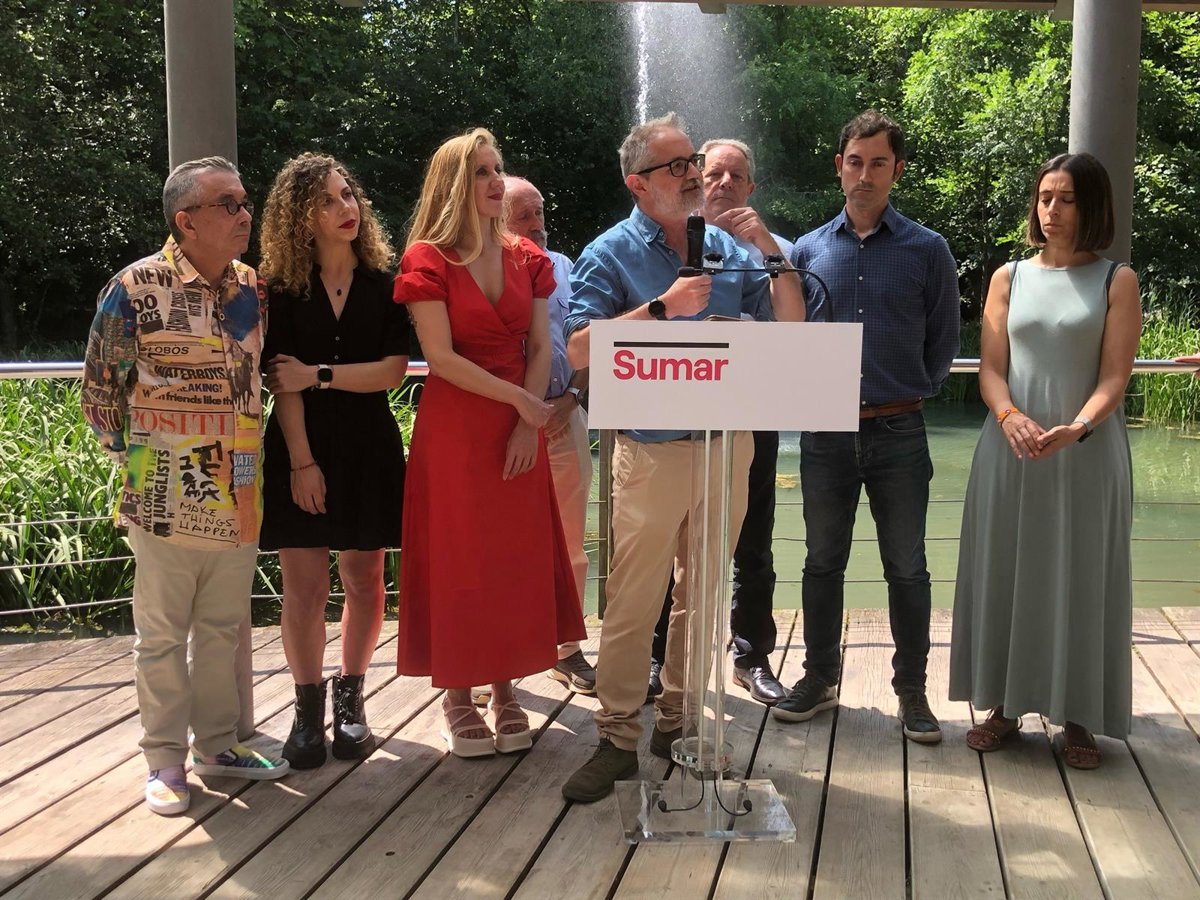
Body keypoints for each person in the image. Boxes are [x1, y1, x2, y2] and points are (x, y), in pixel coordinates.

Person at [560, 113, 805, 803]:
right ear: (637, 184)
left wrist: (769, 249)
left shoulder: (728, 247)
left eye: (693, 160)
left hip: (727, 447)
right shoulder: (609, 253)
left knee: (703, 597)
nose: (694, 174)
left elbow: (791, 326)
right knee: (634, 602)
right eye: (676, 166)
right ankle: (615, 738)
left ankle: (677, 724)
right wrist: (661, 310)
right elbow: (575, 349)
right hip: (652, 451)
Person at [81, 156, 288, 816]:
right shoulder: (135, 287)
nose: (245, 214)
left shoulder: (252, 287)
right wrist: (138, 464)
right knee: (163, 634)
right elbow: (100, 393)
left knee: (223, 627)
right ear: (186, 220)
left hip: (241, 484)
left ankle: (218, 746)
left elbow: (253, 380)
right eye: (229, 204)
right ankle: (165, 760)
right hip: (162, 487)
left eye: (244, 201)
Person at [393, 128, 586, 758]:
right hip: (457, 427)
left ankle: (505, 690)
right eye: (481, 171)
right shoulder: (426, 258)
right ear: (454, 183)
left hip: (517, 422)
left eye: (497, 168)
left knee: (510, 558)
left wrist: (527, 422)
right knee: (460, 557)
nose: (496, 181)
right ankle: (456, 693)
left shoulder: (526, 257)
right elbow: (441, 358)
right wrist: (523, 405)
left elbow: (540, 346)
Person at [949, 153, 1142, 769]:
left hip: (1087, 451)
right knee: (1005, 567)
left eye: (1067, 199)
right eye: (1045, 197)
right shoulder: (1007, 276)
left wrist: (1078, 427)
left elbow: (1115, 378)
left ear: (1093, 207)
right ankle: (1003, 706)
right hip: (1010, 448)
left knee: (1082, 573)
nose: (1052, 210)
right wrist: (1010, 416)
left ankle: (1079, 712)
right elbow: (990, 370)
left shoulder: (1117, 281)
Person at [774, 110, 960, 744]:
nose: (865, 174)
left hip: (898, 429)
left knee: (907, 567)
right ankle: (819, 678)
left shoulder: (928, 250)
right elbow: (791, 340)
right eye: (855, 161)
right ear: (839, 166)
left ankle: (912, 690)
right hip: (825, 434)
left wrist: (909, 391)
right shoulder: (806, 251)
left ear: (896, 171)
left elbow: (944, 342)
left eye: (878, 163)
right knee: (821, 562)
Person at [256, 153, 410, 769]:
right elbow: (280, 381)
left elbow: (392, 371)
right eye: (327, 200)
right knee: (305, 586)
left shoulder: (385, 281)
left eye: (348, 195)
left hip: (370, 443)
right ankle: (305, 708)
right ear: (300, 216)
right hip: (301, 446)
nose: (346, 208)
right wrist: (302, 462)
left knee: (366, 578)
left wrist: (318, 373)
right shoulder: (278, 288)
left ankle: (351, 697)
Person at [646, 138, 795, 706]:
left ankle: (751, 656)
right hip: (672, 427)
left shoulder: (772, 253)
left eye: (737, 175)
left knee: (754, 544)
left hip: (750, 418)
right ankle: (658, 658)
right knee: (666, 545)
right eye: (714, 174)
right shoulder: (663, 243)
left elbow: (794, 325)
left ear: (751, 188)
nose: (724, 183)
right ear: (696, 181)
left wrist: (766, 246)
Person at [504, 175, 596, 694]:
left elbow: (583, 339)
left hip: (564, 417)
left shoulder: (564, 266)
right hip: (502, 427)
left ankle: (566, 650)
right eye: (525, 215)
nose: (537, 224)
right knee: (500, 543)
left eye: (540, 212)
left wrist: (572, 397)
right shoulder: (481, 271)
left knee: (571, 544)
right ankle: (499, 655)